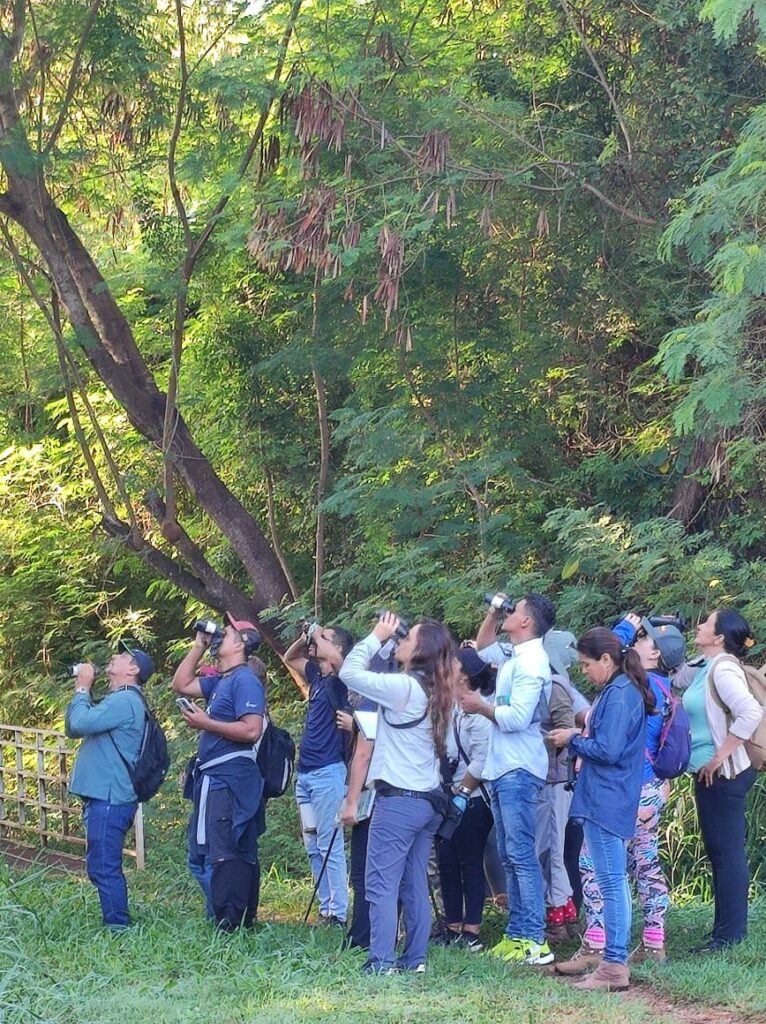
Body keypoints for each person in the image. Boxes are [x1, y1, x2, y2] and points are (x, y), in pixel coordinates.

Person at [339, 612, 456, 975]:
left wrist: (376, 636)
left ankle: (381, 961)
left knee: (380, 884)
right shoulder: (438, 691)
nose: (400, 639)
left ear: (419, 649)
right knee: (414, 882)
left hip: (399, 802)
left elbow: (350, 673)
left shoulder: (403, 689)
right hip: (427, 802)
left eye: (407, 637)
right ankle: (414, 958)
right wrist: (391, 645)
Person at [549, 628, 655, 992]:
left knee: (611, 881)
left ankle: (613, 965)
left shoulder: (621, 694)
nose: (584, 671)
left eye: (586, 664)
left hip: (607, 798)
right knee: (614, 881)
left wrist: (572, 739)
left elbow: (608, 750)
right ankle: (614, 961)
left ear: (606, 660)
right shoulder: (619, 690)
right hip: (607, 796)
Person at [462, 592, 556, 965]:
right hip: (503, 768)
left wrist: (481, 707)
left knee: (520, 854)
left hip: (519, 767)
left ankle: (534, 937)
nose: (507, 613)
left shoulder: (533, 661)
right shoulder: (516, 655)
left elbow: (518, 718)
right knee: (508, 854)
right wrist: (492, 610)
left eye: (512, 610)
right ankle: (517, 933)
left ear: (527, 621)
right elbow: (482, 647)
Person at [172, 612, 265, 931]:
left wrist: (204, 723)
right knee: (209, 848)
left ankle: (232, 922)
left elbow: (252, 730)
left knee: (226, 849)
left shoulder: (245, 680)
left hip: (229, 779)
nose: (218, 636)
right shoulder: (223, 680)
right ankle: (226, 917)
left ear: (241, 644)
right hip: (212, 778)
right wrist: (198, 645)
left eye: (224, 633)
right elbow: (181, 684)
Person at [680, 608, 763, 951]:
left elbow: (750, 711)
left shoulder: (724, 667)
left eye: (706, 622)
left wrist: (720, 755)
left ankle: (729, 936)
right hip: (712, 774)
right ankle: (724, 930)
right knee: (720, 851)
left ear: (718, 637)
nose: (698, 625)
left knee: (727, 853)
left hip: (726, 774)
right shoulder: (707, 666)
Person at [65, 640, 155, 931]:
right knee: (102, 863)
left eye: (122, 655)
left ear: (133, 669)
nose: (113, 657)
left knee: (104, 866)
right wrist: (83, 691)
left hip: (111, 797)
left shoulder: (125, 701)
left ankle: (118, 927)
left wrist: (82, 688)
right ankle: (116, 922)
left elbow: (78, 723)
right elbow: (73, 726)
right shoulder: (121, 699)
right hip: (108, 796)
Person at [284, 623, 354, 927]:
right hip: (307, 775)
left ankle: (338, 912)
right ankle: (326, 908)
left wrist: (318, 636)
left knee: (329, 843)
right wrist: (306, 636)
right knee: (313, 844)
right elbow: (290, 657)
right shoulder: (316, 676)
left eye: (324, 638)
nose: (316, 641)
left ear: (337, 649)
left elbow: (339, 663)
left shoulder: (340, 679)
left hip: (328, 773)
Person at [435, 647, 494, 950]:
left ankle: (471, 931)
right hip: (449, 796)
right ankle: (452, 926)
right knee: (447, 861)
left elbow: (482, 760)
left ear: (466, 675)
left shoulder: (479, 712)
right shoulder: (452, 709)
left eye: (453, 665)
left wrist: (464, 792)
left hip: (472, 799)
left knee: (470, 862)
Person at [536, 629, 578, 943]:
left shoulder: (555, 686)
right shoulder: (552, 682)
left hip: (555, 780)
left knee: (552, 849)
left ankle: (558, 918)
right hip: (549, 778)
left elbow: (565, 731)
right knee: (548, 849)